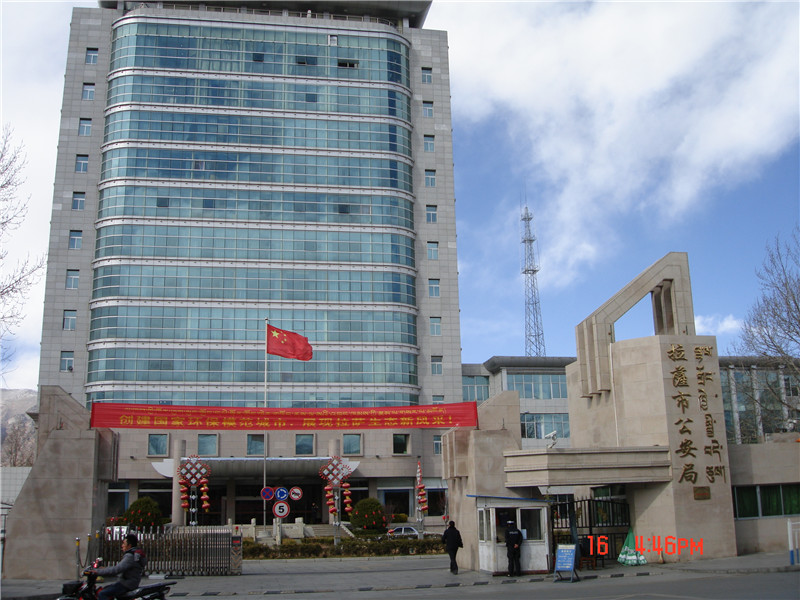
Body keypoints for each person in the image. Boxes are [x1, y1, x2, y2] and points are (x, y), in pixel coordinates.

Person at [90, 533, 147, 600]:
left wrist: (97, 572)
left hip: (127, 584)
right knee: (106, 588)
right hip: (129, 583)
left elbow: (116, 570)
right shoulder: (134, 554)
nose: (122, 546)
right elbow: (120, 567)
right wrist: (104, 569)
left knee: (102, 594)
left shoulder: (130, 556)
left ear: (129, 545)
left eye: (124, 544)